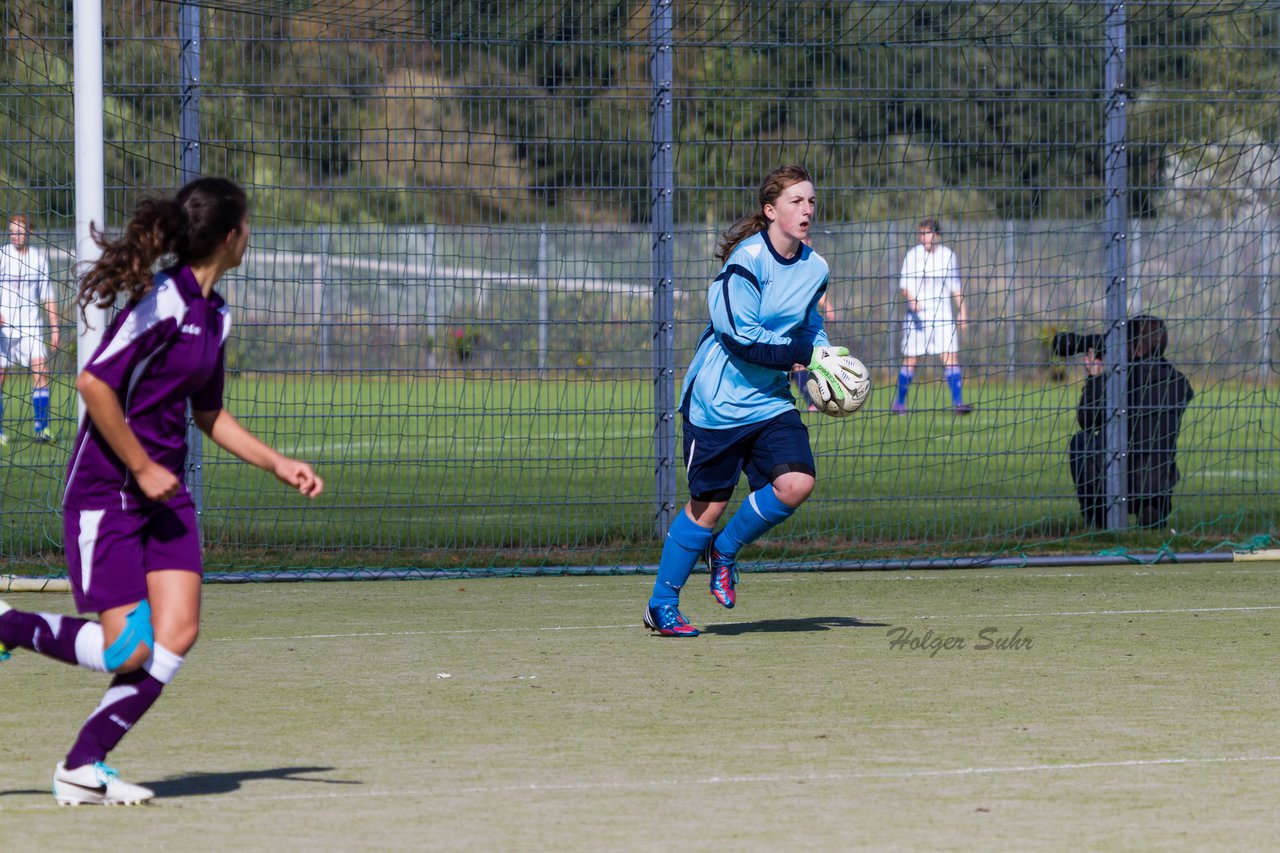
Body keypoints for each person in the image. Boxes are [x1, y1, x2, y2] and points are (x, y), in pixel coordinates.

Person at [0, 177, 324, 805]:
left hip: (163, 493)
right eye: (248, 225)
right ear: (231, 236)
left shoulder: (216, 313)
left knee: (177, 630)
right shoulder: (162, 304)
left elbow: (210, 414)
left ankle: (83, 765)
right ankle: (10, 625)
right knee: (129, 649)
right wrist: (143, 467)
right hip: (107, 490)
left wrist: (276, 463)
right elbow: (94, 385)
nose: (250, 234)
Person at [644, 164, 850, 637]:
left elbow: (808, 328)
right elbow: (739, 338)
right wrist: (800, 355)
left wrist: (825, 358)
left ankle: (725, 552)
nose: (807, 210)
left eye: (811, 201)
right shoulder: (746, 261)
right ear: (770, 210)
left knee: (796, 483)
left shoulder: (815, 267)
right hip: (718, 402)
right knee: (707, 508)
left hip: (769, 400)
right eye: (796, 201)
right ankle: (661, 605)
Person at [1068, 314, 1193, 528]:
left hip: (1119, 484)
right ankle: (1153, 508)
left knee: (1081, 441)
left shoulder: (1120, 380)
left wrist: (1095, 378)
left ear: (1134, 346)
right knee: (1155, 446)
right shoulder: (1179, 383)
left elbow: (1087, 420)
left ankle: (1098, 517)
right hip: (1157, 485)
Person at [893, 217, 972, 415]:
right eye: (921, 233)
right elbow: (904, 286)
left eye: (927, 233)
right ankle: (899, 404)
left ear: (936, 235)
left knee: (950, 357)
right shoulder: (913, 255)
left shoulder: (948, 256)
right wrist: (913, 301)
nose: (924, 237)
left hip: (943, 316)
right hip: (917, 319)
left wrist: (962, 313)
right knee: (911, 360)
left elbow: (955, 287)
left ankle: (958, 404)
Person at [0, 213, 60, 443]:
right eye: (12, 231)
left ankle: (41, 429)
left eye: (19, 231)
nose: (15, 235)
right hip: (5, 329)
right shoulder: (3, 255)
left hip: (32, 326)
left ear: (29, 232)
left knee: (41, 373)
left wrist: (54, 328)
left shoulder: (38, 259)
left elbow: (48, 295)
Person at [791, 292, 836, 411]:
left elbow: (816, 288)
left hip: (801, 324)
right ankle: (812, 402)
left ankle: (812, 402)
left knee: (799, 364)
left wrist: (827, 306)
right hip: (781, 324)